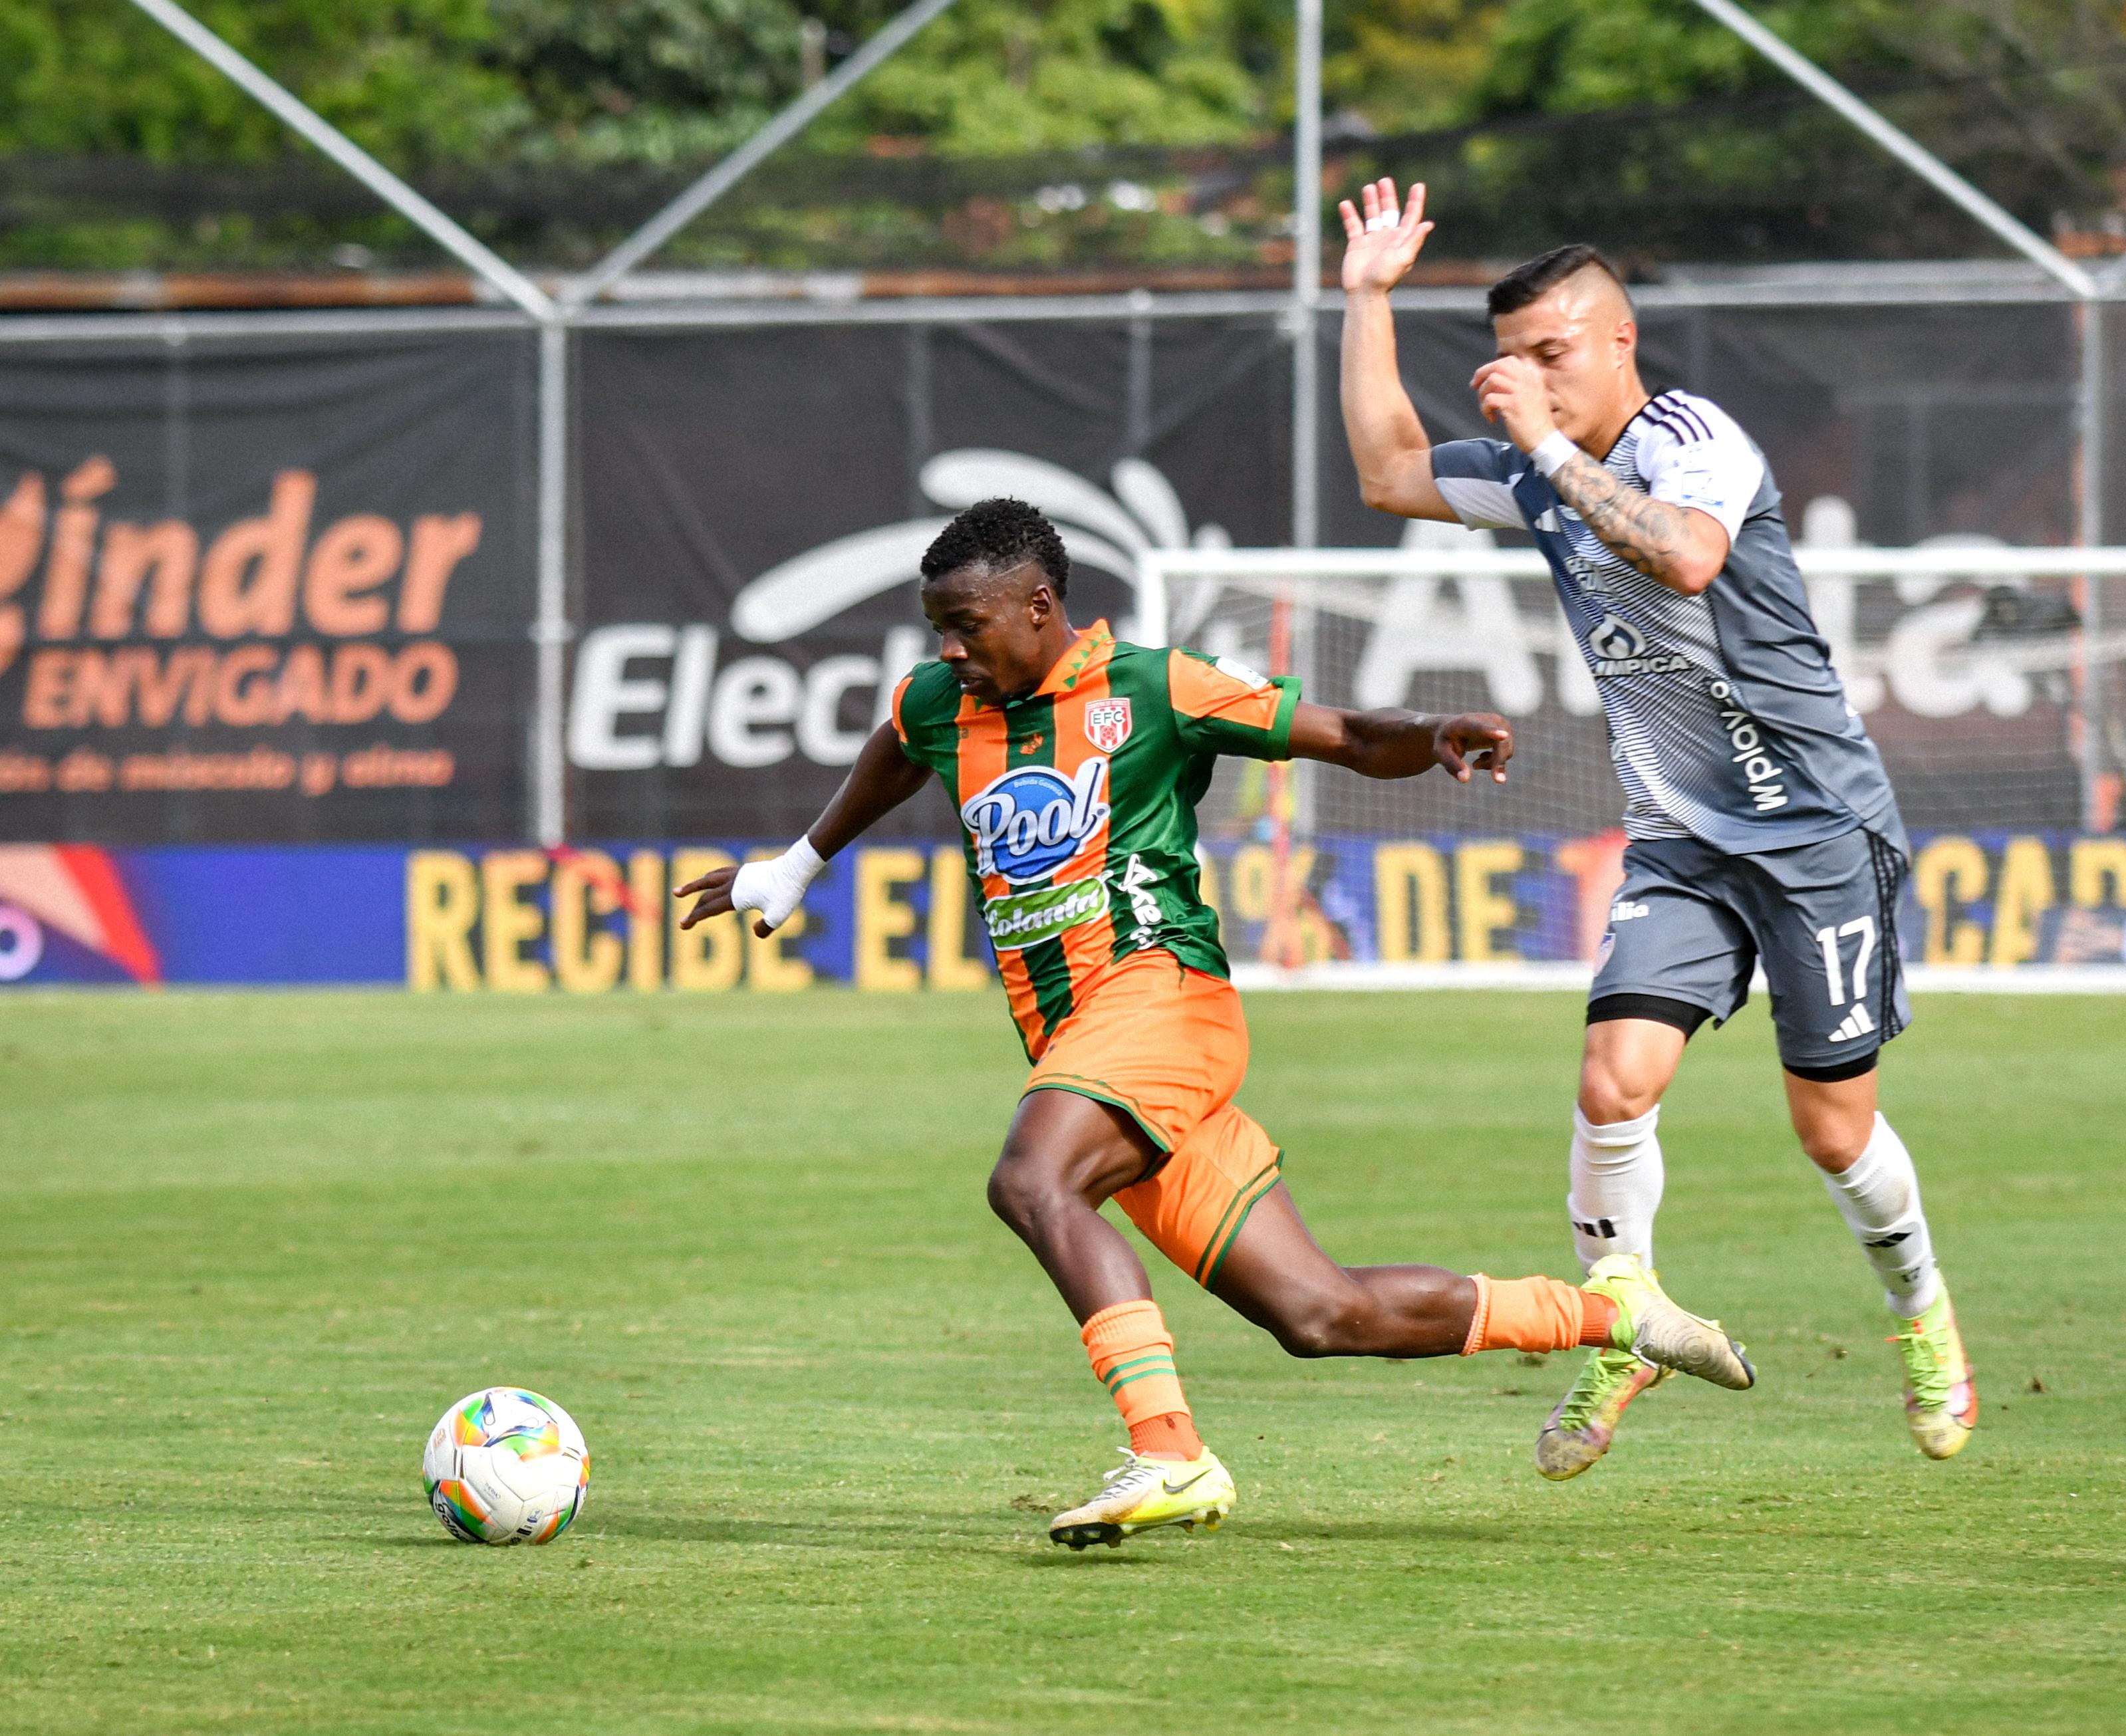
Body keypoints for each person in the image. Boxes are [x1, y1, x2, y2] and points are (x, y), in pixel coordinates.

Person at [675, 497, 1756, 1550]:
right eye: (939, 631)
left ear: (1040, 605)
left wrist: (1431, 734)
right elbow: (894, 750)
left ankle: (1169, 1452)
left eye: (968, 627)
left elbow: (1335, 733)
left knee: (1031, 1182)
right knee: (1320, 1315)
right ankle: (1623, 1321)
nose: (950, 651)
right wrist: (798, 864)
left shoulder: (1152, 688)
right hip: (1086, 1053)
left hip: (1162, 1002)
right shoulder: (939, 704)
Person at [1335, 177, 1976, 1477]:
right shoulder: (1540, 466)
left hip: (1814, 832)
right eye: (1509, 362)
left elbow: (1683, 556)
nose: (1527, 380)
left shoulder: (1696, 440)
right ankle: (1623, 1328)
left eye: (1551, 355)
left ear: (1618, 342)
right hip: (1681, 841)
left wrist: (1551, 456)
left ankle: (1925, 1319)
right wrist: (1367, 298)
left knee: (1832, 1129)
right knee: (1611, 1083)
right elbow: (1389, 471)